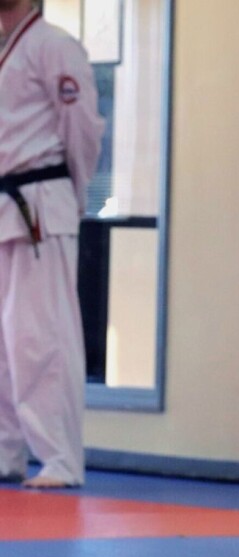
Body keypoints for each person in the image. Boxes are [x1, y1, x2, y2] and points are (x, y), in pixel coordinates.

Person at [0, 0, 104, 488]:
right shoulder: (7, 50)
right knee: (5, 341)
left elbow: (82, 131)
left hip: (41, 201)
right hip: (7, 205)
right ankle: (6, 453)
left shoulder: (56, 47)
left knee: (40, 336)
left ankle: (60, 458)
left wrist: (73, 195)